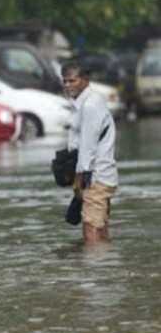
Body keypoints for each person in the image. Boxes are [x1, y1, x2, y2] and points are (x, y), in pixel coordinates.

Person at [62, 61, 118, 244]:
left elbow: (88, 145)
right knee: (100, 227)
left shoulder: (90, 105)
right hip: (100, 174)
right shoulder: (89, 101)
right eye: (65, 81)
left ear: (86, 80)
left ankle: (94, 270)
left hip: (94, 177)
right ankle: (104, 264)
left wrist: (80, 177)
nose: (68, 85)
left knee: (91, 230)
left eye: (72, 81)